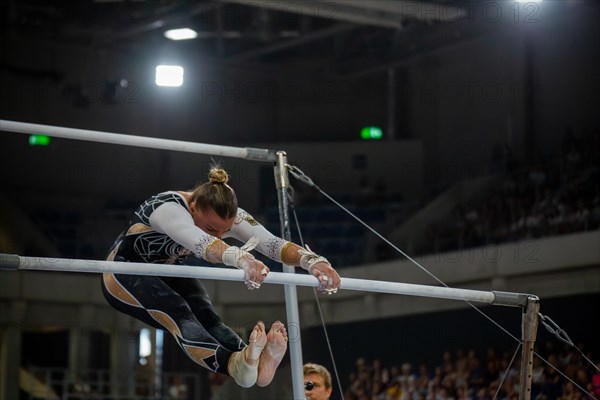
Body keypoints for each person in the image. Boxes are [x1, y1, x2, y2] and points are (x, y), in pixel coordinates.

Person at [101, 167, 341, 389]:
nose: (220, 233)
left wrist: (312, 260)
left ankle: (249, 361)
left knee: (207, 314)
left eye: (226, 230)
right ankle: (234, 365)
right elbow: (203, 243)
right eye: (211, 228)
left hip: (168, 273)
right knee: (179, 311)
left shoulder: (228, 217)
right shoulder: (167, 208)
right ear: (193, 207)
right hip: (126, 275)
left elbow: (272, 244)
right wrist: (242, 258)